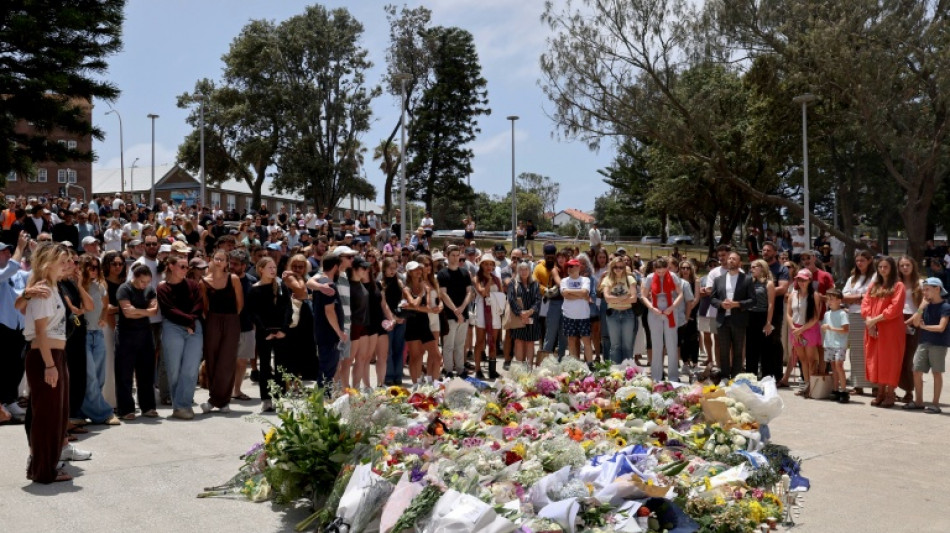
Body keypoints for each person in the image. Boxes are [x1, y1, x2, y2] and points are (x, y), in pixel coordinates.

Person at [21, 244, 73, 482]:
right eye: (62, 260)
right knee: (47, 415)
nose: (67, 264)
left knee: (56, 414)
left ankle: (46, 467)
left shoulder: (52, 288)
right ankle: (43, 470)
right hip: (46, 356)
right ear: (48, 263)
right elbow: (40, 332)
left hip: (54, 354)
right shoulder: (43, 290)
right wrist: (50, 365)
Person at [157, 255, 204, 420]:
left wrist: (191, 323)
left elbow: (199, 304)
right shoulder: (162, 288)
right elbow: (168, 310)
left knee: (191, 368)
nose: (185, 270)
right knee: (174, 368)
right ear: (171, 266)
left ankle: (182, 405)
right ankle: (180, 406)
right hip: (173, 327)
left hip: (194, 327)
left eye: (187, 267)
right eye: (182, 266)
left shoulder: (193, 285)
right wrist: (188, 321)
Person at [200, 249, 243, 414]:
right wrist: (213, 320)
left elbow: (240, 305)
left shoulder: (233, 279)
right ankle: (216, 398)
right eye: (216, 258)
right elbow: (204, 306)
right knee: (212, 358)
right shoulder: (203, 282)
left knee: (227, 360)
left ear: (227, 263)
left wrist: (230, 320)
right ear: (211, 260)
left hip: (231, 319)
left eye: (222, 259)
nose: (218, 262)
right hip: (212, 320)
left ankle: (220, 401)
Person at [115, 263, 159, 419]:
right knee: (124, 373)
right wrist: (145, 312)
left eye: (147, 282)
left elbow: (154, 311)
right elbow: (127, 313)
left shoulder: (150, 290)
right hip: (126, 335)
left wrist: (138, 311)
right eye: (142, 282)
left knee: (146, 372)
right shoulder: (124, 289)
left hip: (145, 334)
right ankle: (126, 409)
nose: (145, 285)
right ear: (135, 277)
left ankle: (148, 407)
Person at [77, 254, 117, 425]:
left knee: (99, 377)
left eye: (97, 267)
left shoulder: (100, 285)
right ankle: (103, 413)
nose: (94, 270)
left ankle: (85, 410)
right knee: (90, 376)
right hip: (83, 334)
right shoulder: (76, 286)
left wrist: (103, 317)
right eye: (91, 267)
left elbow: (106, 304)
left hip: (98, 333)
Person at [862, 256, 906, 408]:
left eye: (885, 267)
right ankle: (880, 392)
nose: (882, 270)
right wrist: (870, 322)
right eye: (880, 267)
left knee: (891, 360)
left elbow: (894, 309)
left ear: (892, 268)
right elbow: (865, 303)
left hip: (891, 329)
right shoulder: (874, 285)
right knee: (876, 359)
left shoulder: (898, 286)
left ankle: (890, 393)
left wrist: (874, 321)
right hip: (873, 328)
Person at [247, 257, 291, 412]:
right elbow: (253, 313)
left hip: (281, 332)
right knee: (265, 367)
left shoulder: (281, 286)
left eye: (274, 267)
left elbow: (288, 308)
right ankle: (266, 399)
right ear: (261, 269)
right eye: (269, 267)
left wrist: (284, 329)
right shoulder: (254, 289)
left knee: (281, 366)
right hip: (264, 333)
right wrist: (265, 330)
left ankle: (279, 397)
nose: (273, 270)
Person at [906, 278, 950, 413]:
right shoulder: (926, 306)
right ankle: (919, 401)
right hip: (923, 342)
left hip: (938, 344)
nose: (924, 293)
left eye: (927, 289)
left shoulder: (946, 307)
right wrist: (920, 308)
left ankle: (935, 404)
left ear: (937, 289)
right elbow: (917, 323)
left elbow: (941, 327)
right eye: (923, 290)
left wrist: (925, 327)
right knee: (916, 371)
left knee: (936, 373)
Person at [710, 252, 755, 380]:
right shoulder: (718, 279)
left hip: (739, 320)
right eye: (729, 258)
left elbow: (753, 300)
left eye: (734, 259)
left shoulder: (746, 279)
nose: (731, 260)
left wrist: (737, 304)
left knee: (738, 350)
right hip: (723, 320)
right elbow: (712, 298)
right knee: (723, 350)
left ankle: (735, 377)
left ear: (739, 263)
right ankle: (724, 376)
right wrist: (721, 304)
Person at [0, 233, 30, 419]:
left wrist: (35, 251)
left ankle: (10, 400)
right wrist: (20, 247)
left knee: (17, 365)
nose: (7, 253)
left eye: (8, 250)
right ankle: (2, 402)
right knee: (2, 366)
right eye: (2, 251)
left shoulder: (19, 274)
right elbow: (10, 269)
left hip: (19, 325)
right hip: (2, 326)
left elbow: (36, 275)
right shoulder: (5, 272)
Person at [643, 257, 684, 382]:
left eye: (663, 271)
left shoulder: (673, 276)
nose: (660, 274)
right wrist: (651, 307)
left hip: (670, 310)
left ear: (667, 268)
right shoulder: (650, 277)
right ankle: (656, 376)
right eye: (658, 271)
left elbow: (680, 294)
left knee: (671, 344)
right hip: (655, 311)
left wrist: (672, 307)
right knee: (656, 345)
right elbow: (644, 296)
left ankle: (673, 376)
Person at [784, 269, 823, 397]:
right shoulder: (792, 294)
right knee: (802, 359)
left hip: (809, 329)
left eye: (804, 280)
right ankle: (807, 384)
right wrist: (794, 328)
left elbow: (815, 317)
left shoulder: (815, 295)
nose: (801, 282)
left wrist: (801, 329)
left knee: (811, 359)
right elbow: (789, 314)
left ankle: (812, 386)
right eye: (799, 279)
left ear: (809, 280)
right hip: (795, 329)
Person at [842, 250, 875, 393]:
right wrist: (859, 296)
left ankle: (875, 385)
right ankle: (858, 384)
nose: (860, 263)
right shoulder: (852, 278)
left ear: (869, 260)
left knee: (871, 350)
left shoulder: (875, 277)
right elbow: (844, 296)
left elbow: (872, 295)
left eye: (863, 260)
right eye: (858, 261)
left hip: (869, 316)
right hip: (854, 315)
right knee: (856, 351)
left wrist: (858, 296)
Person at [438, 245, 473, 377]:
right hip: (449, 315)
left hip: (463, 314)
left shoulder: (464, 273)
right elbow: (443, 294)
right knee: (448, 345)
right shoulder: (442, 274)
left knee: (460, 344)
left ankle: (460, 368)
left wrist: (462, 308)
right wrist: (455, 310)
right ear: (447, 256)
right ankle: (448, 370)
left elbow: (469, 292)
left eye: (458, 255)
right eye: (453, 255)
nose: (455, 258)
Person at [313, 254, 346, 389]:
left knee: (325, 370)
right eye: (340, 267)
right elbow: (329, 311)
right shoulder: (328, 285)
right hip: (329, 334)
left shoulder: (320, 282)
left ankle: (322, 400)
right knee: (327, 372)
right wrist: (339, 332)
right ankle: (323, 403)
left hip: (322, 333)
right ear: (335, 267)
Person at [600, 257, 640, 365]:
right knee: (615, 345)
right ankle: (615, 372)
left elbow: (634, 298)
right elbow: (607, 298)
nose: (618, 269)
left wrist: (615, 299)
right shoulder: (607, 279)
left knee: (627, 345)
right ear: (612, 268)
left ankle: (628, 371)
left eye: (621, 267)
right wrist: (624, 298)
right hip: (613, 314)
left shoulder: (630, 279)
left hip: (628, 314)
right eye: (615, 267)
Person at [472, 254, 504, 379]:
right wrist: (489, 282)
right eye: (486, 264)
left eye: (491, 264)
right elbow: (483, 293)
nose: (488, 266)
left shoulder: (497, 279)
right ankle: (478, 369)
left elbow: (501, 295)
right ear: (481, 265)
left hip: (494, 311)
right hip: (481, 310)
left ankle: (492, 369)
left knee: (493, 341)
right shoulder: (477, 278)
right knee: (480, 341)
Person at [897, 255, 923, 403]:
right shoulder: (896, 283)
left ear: (913, 266)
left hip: (914, 320)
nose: (905, 268)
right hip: (896, 320)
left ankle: (909, 390)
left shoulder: (919, 283)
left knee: (909, 358)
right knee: (896, 357)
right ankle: (892, 387)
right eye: (902, 265)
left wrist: (914, 318)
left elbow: (927, 301)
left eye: (907, 265)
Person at [745, 259, 776, 378]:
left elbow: (771, 304)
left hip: (763, 315)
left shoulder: (768, 284)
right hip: (750, 316)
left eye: (754, 267)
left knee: (765, 349)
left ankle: (767, 377)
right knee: (751, 348)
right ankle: (750, 376)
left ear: (762, 268)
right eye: (750, 267)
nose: (751, 269)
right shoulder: (750, 282)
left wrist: (768, 322)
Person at [507, 261, 541, 365]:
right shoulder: (513, 283)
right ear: (518, 271)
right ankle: (520, 368)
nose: (523, 271)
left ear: (530, 271)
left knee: (530, 342)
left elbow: (538, 300)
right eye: (521, 269)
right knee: (518, 341)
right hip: (518, 317)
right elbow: (511, 299)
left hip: (532, 316)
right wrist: (521, 313)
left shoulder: (535, 283)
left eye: (526, 269)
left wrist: (530, 311)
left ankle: (529, 368)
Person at [379, 258, 406, 385]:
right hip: (387, 319)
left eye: (395, 268)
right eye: (390, 268)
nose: (393, 271)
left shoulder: (400, 282)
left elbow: (403, 300)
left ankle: (398, 375)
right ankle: (389, 375)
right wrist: (392, 318)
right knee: (388, 349)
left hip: (400, 319)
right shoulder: (381, 284)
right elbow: (384, 304)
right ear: (384, 268)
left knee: (399, 348)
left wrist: (401, 316)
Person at [561, 258, 594, 362]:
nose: (569, 268)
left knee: (587, 341)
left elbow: (585, 292)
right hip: (568, 315)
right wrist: (581, 295)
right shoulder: (564, 280)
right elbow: (565, 295)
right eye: (568, 267)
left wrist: (572, 293)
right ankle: (574, 365)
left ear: (579, 267)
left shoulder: (585, 280)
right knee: (571, 341)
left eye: (571, 266)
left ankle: (590, 364)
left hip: (583, 315)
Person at [821, 289, 850, 402]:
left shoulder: (842, 313)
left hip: (840, 344)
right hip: (829, 344)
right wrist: (824, 328)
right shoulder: (827, 314)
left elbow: (845, 330)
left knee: (839, 366)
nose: (829, 301)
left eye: (832, 299)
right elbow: (825, 327)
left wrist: (830, 328)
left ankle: (844, 390)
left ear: (839, 300)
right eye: (828, 299)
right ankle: (835, 389)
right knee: (833, 367)